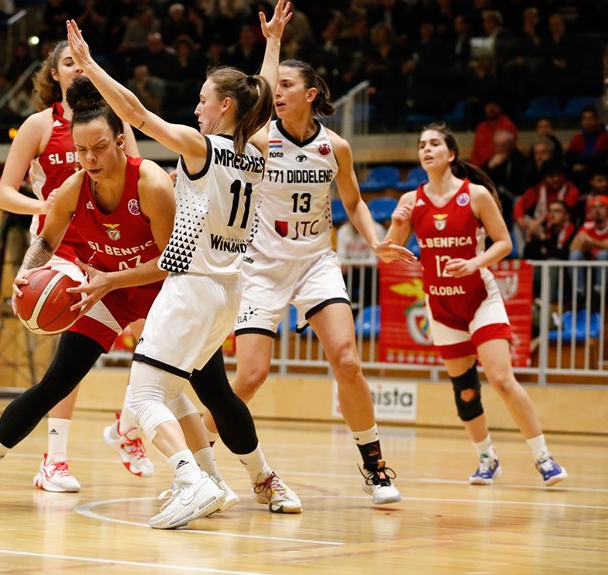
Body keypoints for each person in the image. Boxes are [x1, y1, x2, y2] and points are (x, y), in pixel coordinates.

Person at [61, 2, 302, 529]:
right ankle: (227, 478)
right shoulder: (258, 149)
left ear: (225, 108)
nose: (196, 110)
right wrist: (273, 43)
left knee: (142, 398)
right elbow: (259, 96)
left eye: (202, 101)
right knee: (172, 391)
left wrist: (90, 65)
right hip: (228, 294)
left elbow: (136, 114)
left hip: (191, 286)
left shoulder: (201, 147)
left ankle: (193, 481)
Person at [0, 76, 184, 508]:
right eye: (80, 151)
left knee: (194, 383)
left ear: (119, 140)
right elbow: (46, 242)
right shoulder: (74, 188)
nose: (88, 159)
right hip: (109, 292)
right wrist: (24, 274)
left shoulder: (150, 184)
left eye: (98, 148)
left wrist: (111, 280)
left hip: (161, 289)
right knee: (56, 382)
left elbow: (170, 264)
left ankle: (226, 474)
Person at [202, 58, 412, 505]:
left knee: (348, 361)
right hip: (261, 267)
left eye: (287, 85)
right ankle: (198, 461)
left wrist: (374, 241)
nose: (277, 92)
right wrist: (271, 44)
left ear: (310, 93)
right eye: (275, 86)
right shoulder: (259, 140)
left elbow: (354, 203)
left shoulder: (335, 147)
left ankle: (375, 468)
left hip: (316, 262)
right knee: (251, 377)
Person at [0, 39, 150, 491]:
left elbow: (138, 168)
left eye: (82, 61)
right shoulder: (39, 125)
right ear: (54, 74)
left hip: (113, 243)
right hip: (59, 246)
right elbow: (4, 193)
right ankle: (54, 459)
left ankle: (129, 426)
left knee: (156, 339)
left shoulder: (111, 121)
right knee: (72, 359)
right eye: (67, 63)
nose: (77, 69)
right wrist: (43, 202)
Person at [383, 123, 568, 487]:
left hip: (480, 297)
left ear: (451, 154)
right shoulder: (410, 201)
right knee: (465, 389)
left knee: (501, 378)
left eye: (435, 143)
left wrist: (474, 263)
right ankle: (487, 458)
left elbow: (504, 243)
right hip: (440, 305)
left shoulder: (477, 194)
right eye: (422, 145)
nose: (427, 149)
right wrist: (394, 227)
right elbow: (391, 256)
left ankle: (543, 457)